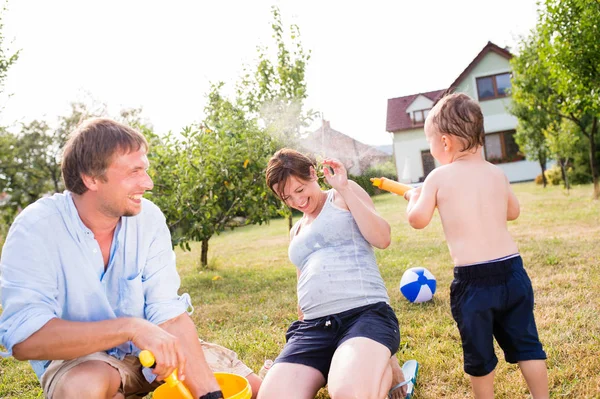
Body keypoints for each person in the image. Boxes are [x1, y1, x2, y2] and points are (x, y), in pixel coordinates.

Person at [0, 118, 261, 399]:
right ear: (91, 178)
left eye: (145, 170)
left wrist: (210, 395)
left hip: (157, 351)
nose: (147, 183)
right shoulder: (37, 228)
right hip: (83, 361)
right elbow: (25, 339)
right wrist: (129, 328)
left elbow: (168, 314)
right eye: (134, 172)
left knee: (260, 392)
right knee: (84, 387)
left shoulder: (148, 219)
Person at [404, 93, 549, 399]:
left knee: (479, 356)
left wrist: (414, 198)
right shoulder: (497, 173)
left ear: (444, 143)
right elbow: (513, 212)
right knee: (528, 346)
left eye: (430, 143)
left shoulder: (437, 177)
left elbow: (417, 220)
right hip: (513, 273)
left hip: (474, 282)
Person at [261, 148, 406, 399]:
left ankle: (382, 362)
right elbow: (304, 289)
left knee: (350, 394)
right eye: (287, 198)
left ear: (312, 173)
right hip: (314, 328)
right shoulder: (296, 231)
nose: (297, 202)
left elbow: (382, 239)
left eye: (300, 190)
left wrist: (345, 187)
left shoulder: (341, 195)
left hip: (364, 315)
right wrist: (291, 355)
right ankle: (345, 364)